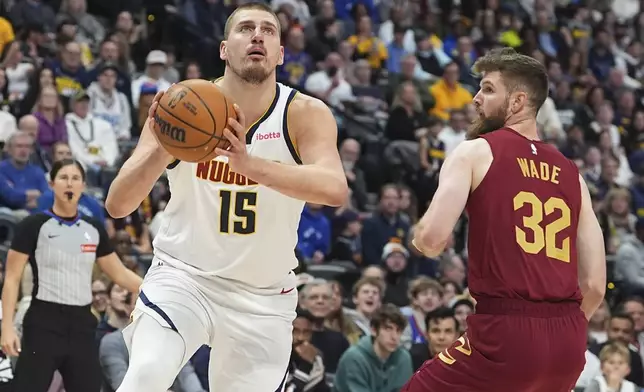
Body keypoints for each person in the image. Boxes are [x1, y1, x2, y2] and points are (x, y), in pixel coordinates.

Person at [104, 3, 348, 392]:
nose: (257, 36)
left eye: (269, 31)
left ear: (281, 53)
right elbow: (118, 205)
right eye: (246, 29)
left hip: (264, 296)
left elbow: (335, 189)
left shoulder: (304, 113)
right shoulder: (179, 105)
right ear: (223, 48)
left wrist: (249, 166)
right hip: (184, 277)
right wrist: (162, 148)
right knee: (144, 378)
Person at [406, 48, 607, 392]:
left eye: (487, 89)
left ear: (517, 101)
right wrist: (557, 329)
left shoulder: (474, 151)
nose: (475, 98)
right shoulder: (573, 175)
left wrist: (418, 231)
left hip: (505, 330)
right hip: (569, 342)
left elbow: (432, 240)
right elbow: (595, 286)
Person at [0, 159, 142, 392]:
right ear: (51, 184)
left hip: (81, 324)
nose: (70, 183)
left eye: (75, 178)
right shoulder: (33, 225)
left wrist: (154, 287)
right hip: (43, 322)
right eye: (64, 177)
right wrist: (7, 328)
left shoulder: (93, 229)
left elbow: (120, 274)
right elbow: (12, 278)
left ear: (83, 186)